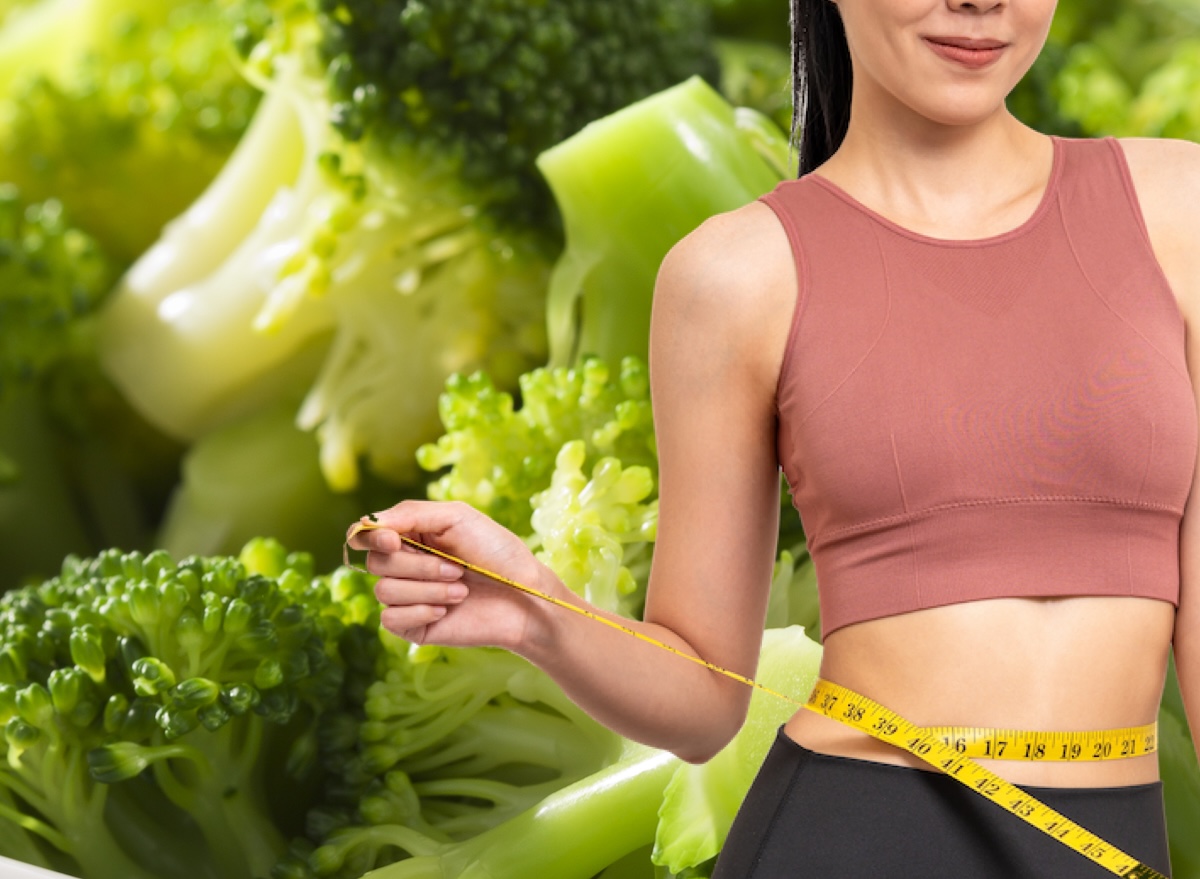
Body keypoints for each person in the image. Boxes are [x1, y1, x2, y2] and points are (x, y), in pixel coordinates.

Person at [347, 0, 1200, 875]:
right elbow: (706, 698)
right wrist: (537, 608)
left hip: (1111, 834)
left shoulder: (1182, 211)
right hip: (856, 831)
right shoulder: (736, 276)